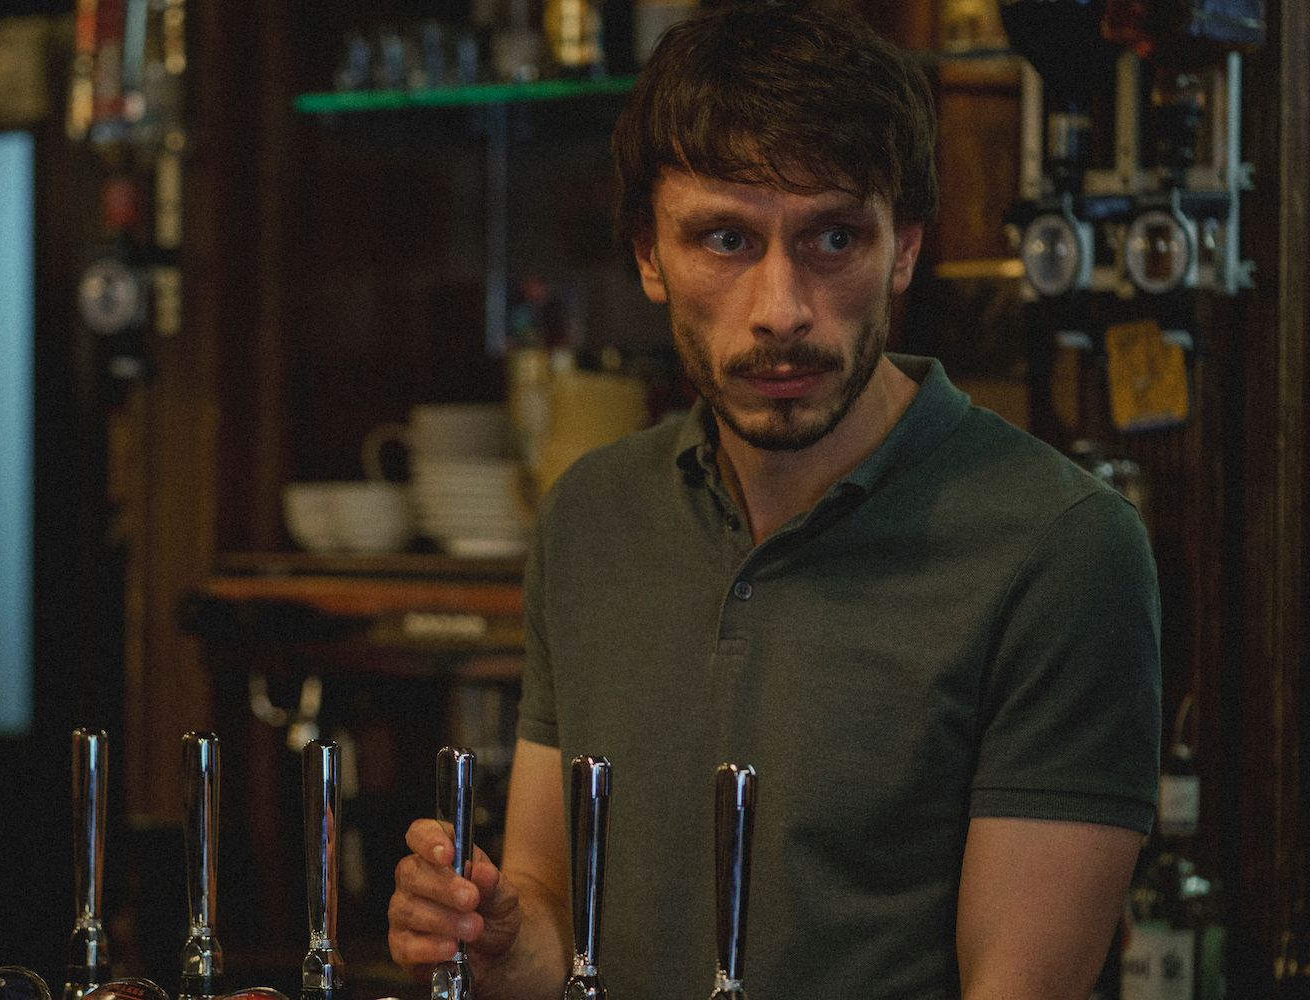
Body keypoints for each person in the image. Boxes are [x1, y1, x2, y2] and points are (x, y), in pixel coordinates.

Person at [385, 3, 1162, 998]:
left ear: (905, 249)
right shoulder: (591, 514)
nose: (782, 308)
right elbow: (552, 932)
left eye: (833, 236)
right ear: (646, 254)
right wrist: (493, 933)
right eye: (723, 238)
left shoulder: (1060, 546)